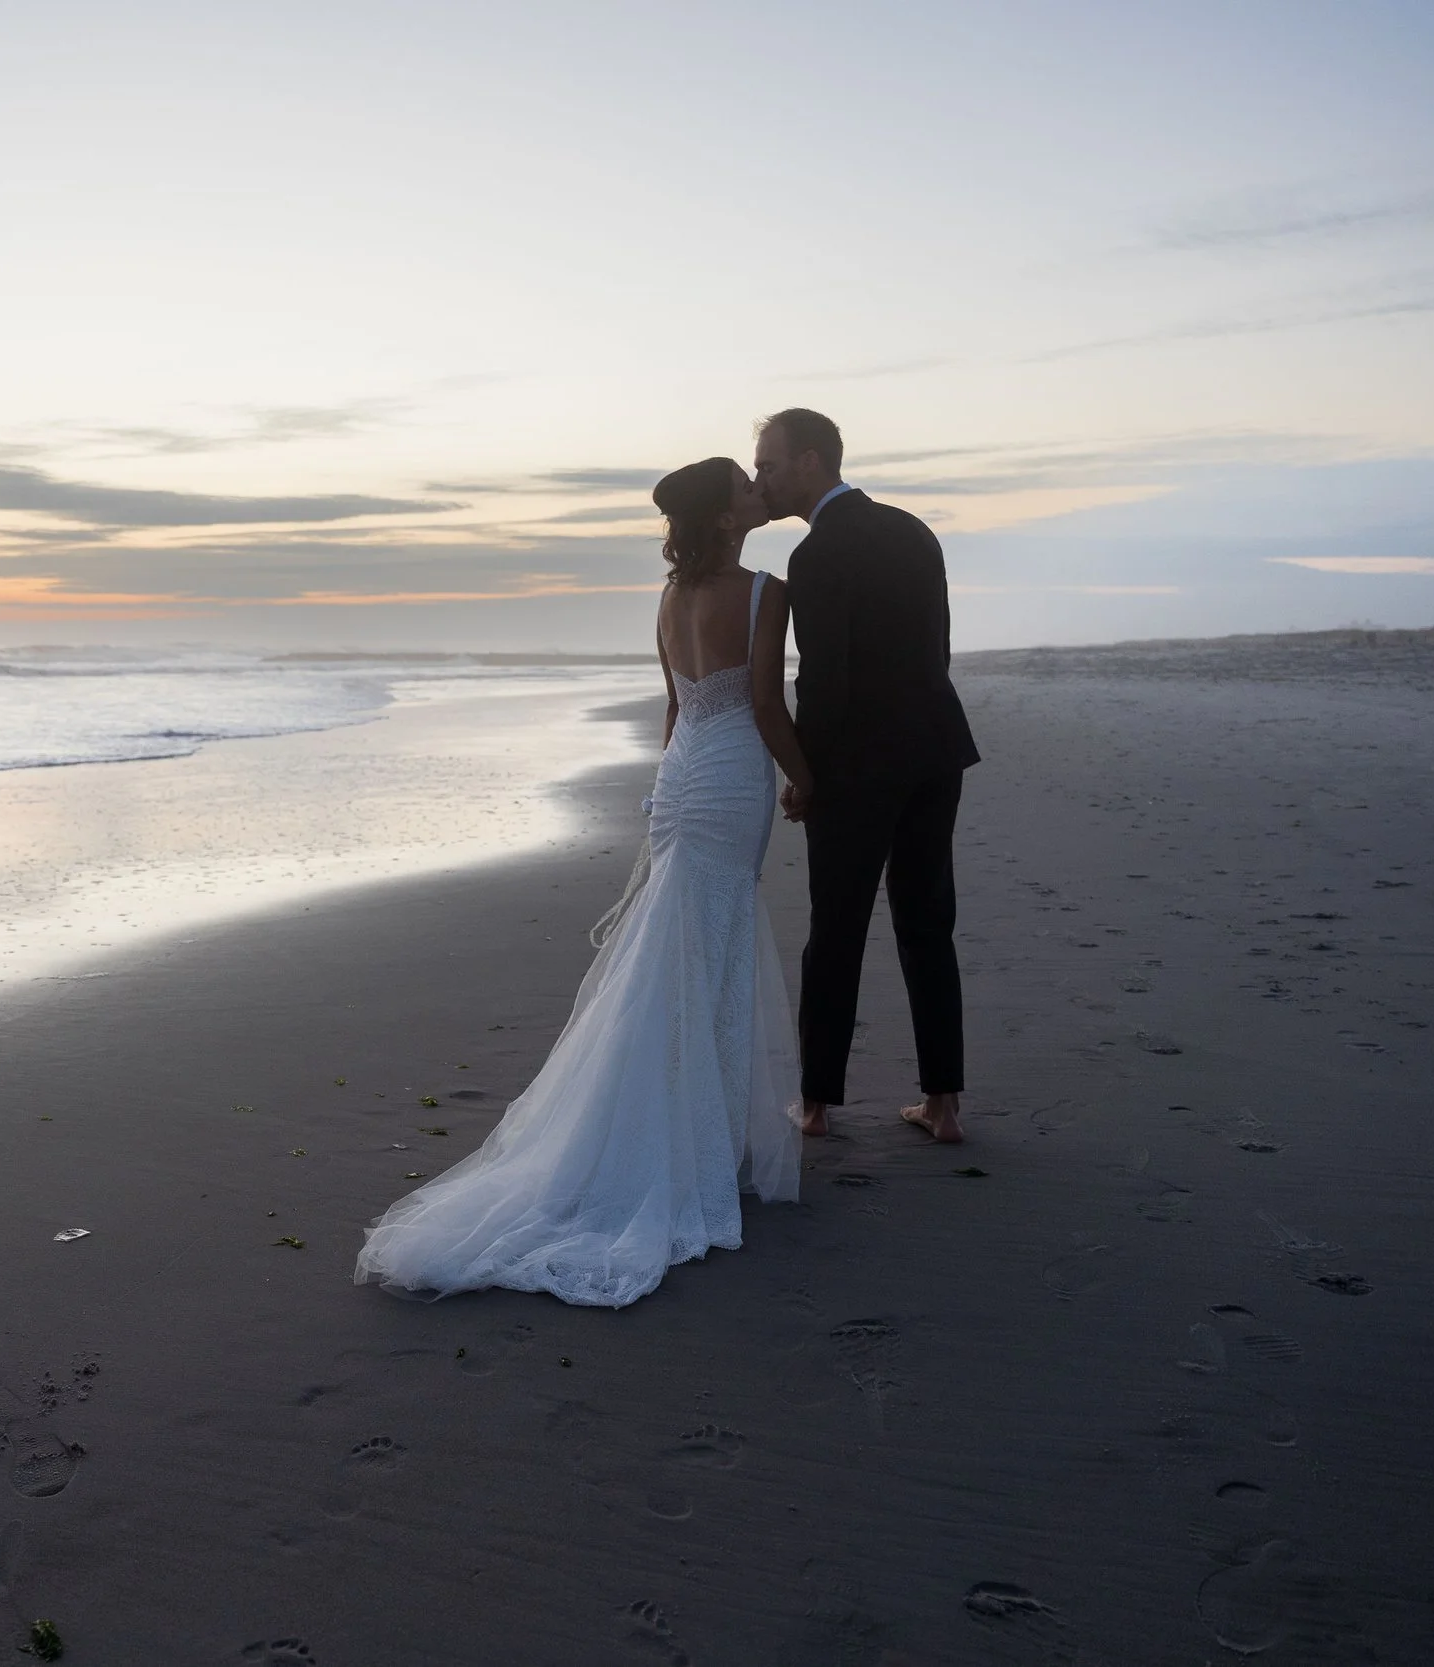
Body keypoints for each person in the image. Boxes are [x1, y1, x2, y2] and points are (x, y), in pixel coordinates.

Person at [352, 458, 806, 1308]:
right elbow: (770, 707)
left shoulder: (669, 601)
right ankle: (684, 1145)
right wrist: (806, 779)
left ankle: (682, 1126)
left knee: (673, 950)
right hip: (733, 775)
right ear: (722, 516)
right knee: (710, 944)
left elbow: (677, 707)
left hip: (683, 779)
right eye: (744, 485)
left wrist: (682, 775)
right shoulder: (763, 591)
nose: (757, 490)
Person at [750, 408, 980, 1144]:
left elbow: (824, 682)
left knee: (838, 926)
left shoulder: (816, 559)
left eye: (769, 465)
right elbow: (937, 648)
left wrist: (805, 773)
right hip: (936, 749)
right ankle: (943, 1104)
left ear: (810, 462)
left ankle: (817, 1105)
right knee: (926, 921)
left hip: (858, 764)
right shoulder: (914, 529)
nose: (763, 478)